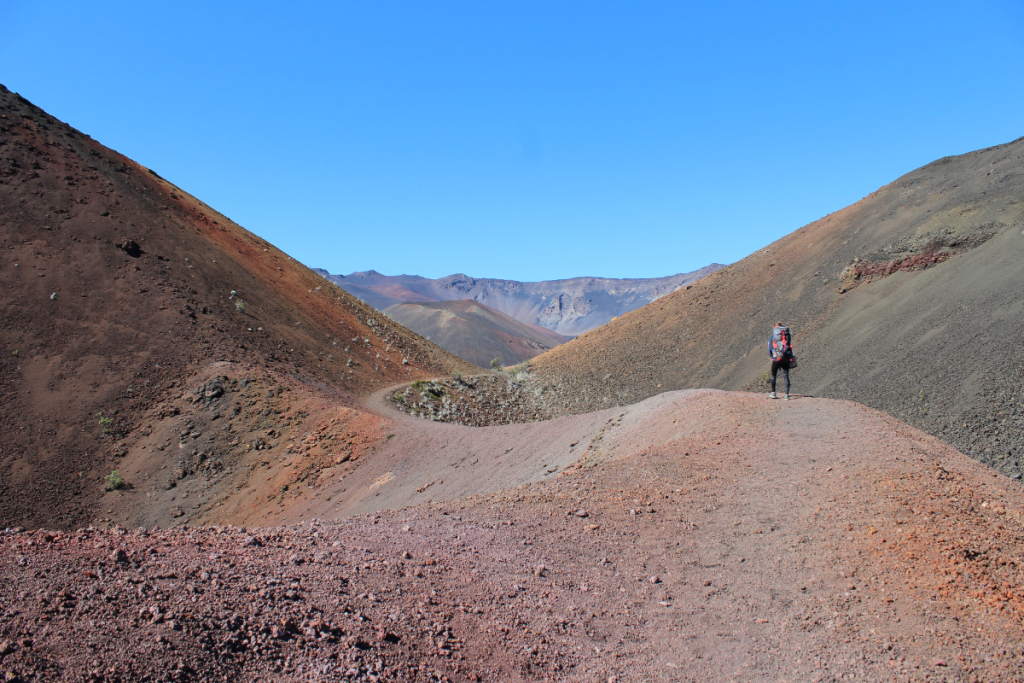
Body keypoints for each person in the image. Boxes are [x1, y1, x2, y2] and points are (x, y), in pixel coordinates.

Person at [767, 322, 794, 400]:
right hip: (786, 357)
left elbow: (770, 348)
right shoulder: (786, 334)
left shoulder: (772, 338)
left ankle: (773, 393)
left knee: (773, 375)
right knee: (786, 376)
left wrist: (773, 357)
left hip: (777, 358)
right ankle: (786, 395)